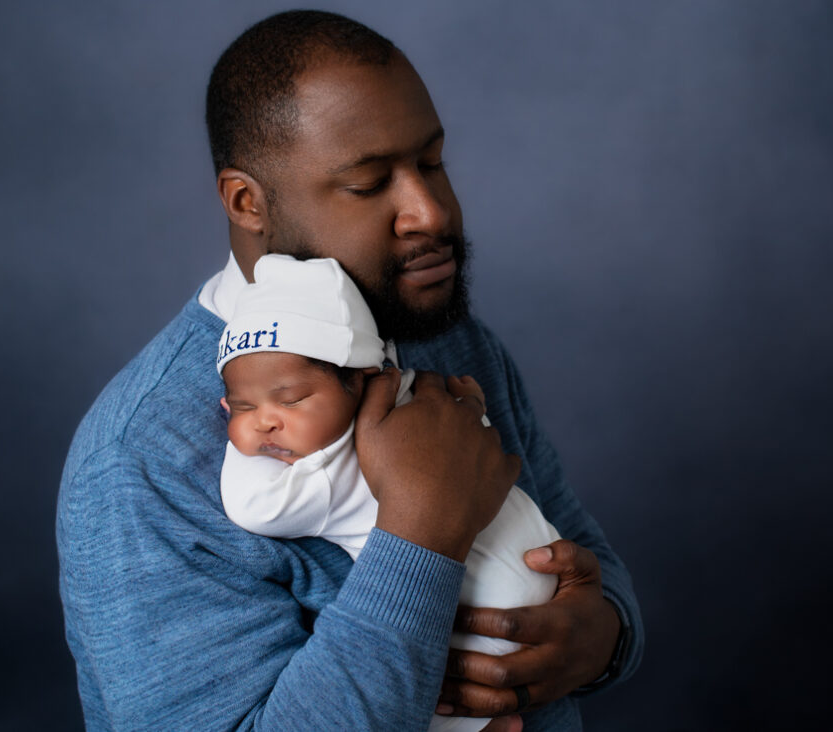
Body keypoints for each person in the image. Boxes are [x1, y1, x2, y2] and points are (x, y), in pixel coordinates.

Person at [57, 10, 643, 731]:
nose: (430, 211)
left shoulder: (449, 339)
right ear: (248, 203)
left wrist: (606, 637)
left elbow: (582, 549)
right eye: (370, 185)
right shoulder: (142, 460)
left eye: (432, 163)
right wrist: (422, 529)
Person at [217, 254, 562, 732]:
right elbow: (468, 421)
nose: (266, 421)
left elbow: (251, 509)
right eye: (241, 406)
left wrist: (242, 439)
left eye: (291, 400)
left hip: (493, 616)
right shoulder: (416, 393)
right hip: (535, 581)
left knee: (438, 703)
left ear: (359, 381)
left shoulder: (319, 477)